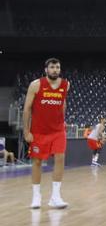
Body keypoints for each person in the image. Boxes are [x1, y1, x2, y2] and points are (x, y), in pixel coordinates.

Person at [22, 58, 70, 209]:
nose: (55, 70)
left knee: (60, 158)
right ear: (46, 69)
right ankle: (36, 196)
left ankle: (55, 197)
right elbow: (27, 109)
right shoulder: (35, 85)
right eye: (52, 67)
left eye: (57, 67)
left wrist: (63, 120)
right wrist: (26, 130)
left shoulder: (65, 84)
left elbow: (63, 103)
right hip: (39, 132)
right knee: (37, 162)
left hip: (58, 130)